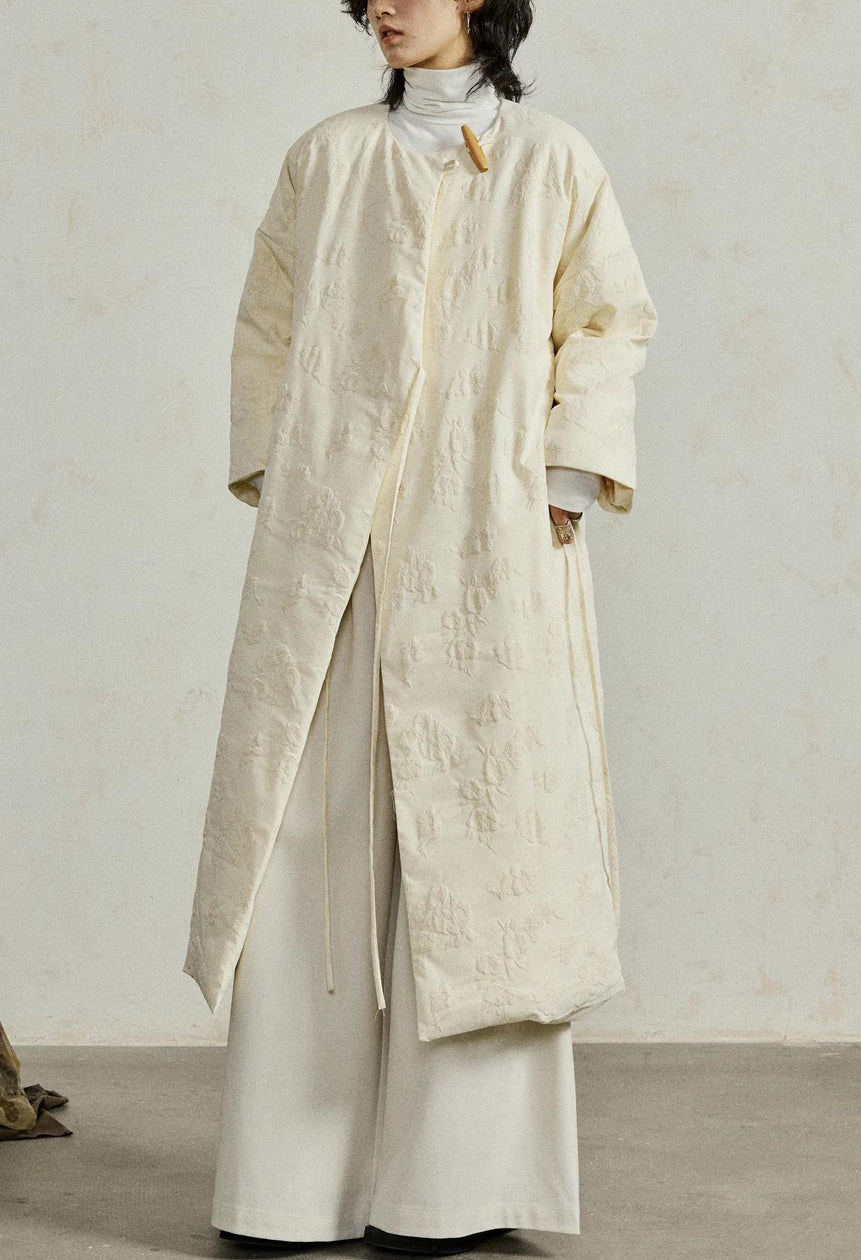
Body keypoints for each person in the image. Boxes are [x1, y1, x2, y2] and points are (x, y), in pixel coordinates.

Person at [185, 0, 658, 1252]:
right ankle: (288, 1190)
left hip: (491, 547)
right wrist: (290, 477)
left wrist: (564, 477)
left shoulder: (554, 160)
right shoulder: (329, 156)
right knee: (307, 846)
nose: (385, 5)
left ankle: (458, 1192)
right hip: (334, 552)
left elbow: (607, 321)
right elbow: (268, 327)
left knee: (489, 851)